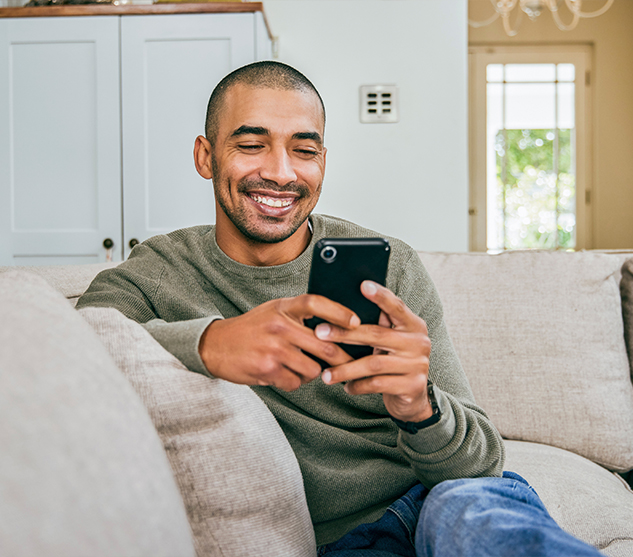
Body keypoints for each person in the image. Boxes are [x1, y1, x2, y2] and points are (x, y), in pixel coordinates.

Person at [77, 61, 603, 557]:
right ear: (205, 156)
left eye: (303, 150)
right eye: (252, 144)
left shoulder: (391, 266)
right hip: (350, 541)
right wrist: (211, 343)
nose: (281, 173)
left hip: (442, 502)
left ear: (322, 161)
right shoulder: (160, 270)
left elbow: (482, 465)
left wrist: (419, 405)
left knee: (469, 512)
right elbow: (71, 346)